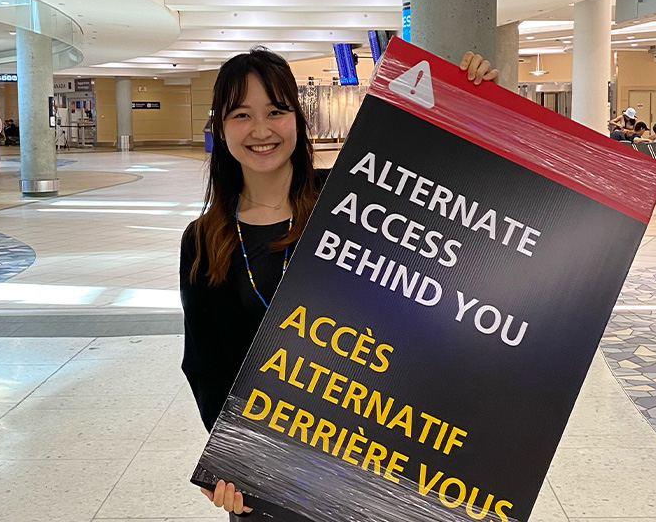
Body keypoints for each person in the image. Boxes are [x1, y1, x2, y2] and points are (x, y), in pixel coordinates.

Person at [179, 47, 499, 521]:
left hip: (378, 452)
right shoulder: (206, 238)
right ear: (220, 127)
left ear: (298, 119)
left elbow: (453, 204)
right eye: (241, 114)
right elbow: (206, 362)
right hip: (273, 467)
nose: (261, 129)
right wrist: (229, 460)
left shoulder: (352, 201)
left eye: (276, 111)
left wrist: (475, 100)